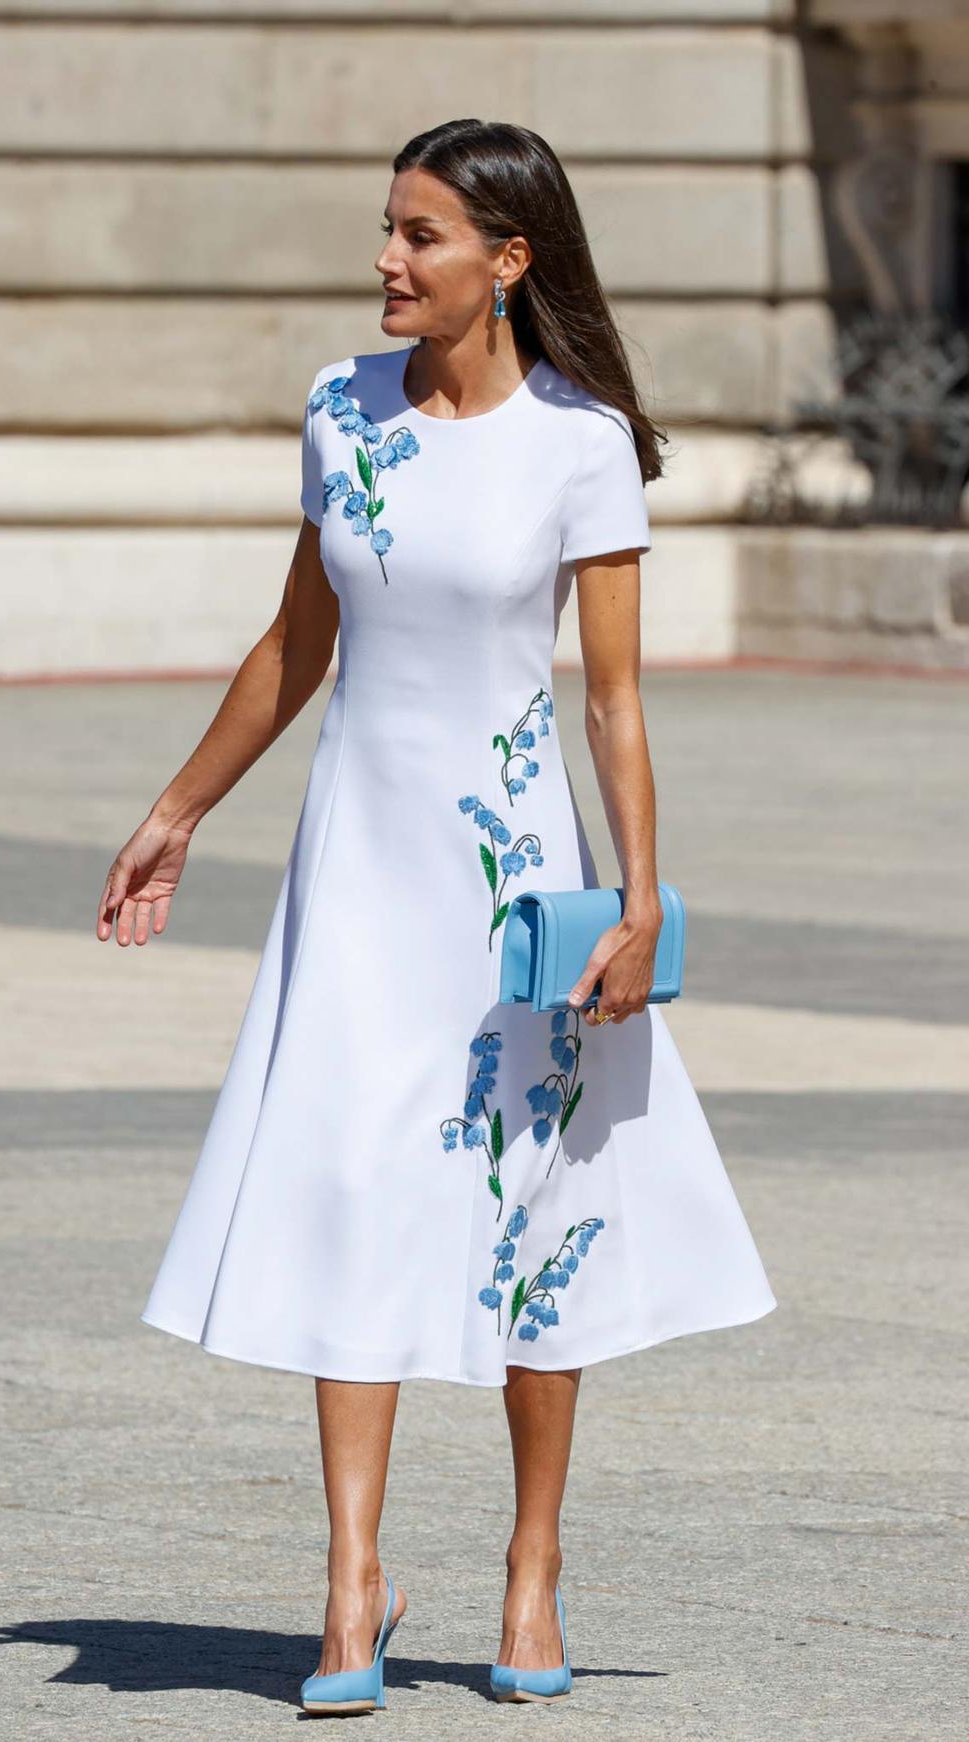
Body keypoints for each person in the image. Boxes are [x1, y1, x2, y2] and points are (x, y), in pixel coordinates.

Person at [97, 118, 777, 1710]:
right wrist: (178, 808)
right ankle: (353, 1580)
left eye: (422, 235)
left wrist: (639, 896)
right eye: (389, 228)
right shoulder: (342, 406)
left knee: (536, 1197)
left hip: (511, 870)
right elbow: (297, 642)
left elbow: (612, 699)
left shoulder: (580, 443)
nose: (388, 260)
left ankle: (532, 1564)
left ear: (507, 261)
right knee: (351, 1177)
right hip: (358, 863)